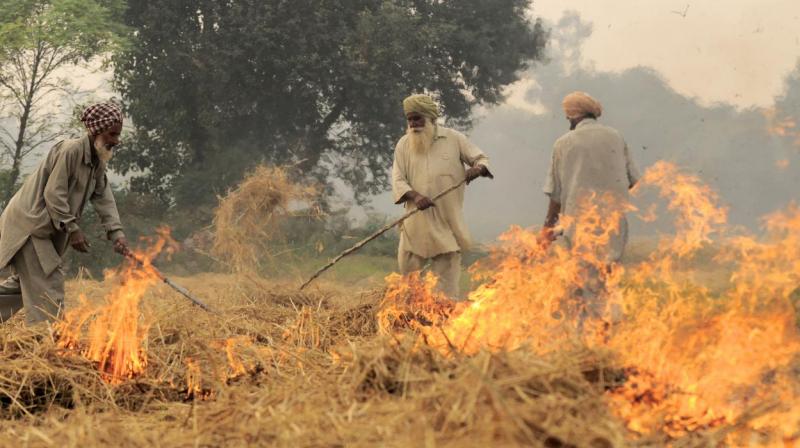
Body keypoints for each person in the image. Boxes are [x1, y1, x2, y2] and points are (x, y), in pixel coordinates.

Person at [0, 102, 129, 324]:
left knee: (26, 285)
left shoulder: (98, 161)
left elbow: (103, 197)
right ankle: (45, 343)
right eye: (112, 134)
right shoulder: (70, 150)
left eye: (118, 135)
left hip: (41, 229)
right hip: (30, 226)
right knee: (48, 282)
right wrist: (73, 228)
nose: (116, 141)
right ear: (97, 130)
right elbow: (54, 194)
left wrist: (116, 233)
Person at [541, 92, 640, 323]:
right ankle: (605, 331)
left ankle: (589, 340)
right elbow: (632, 180)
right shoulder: (616, 137)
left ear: (573, 116)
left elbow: (556, 195)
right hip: (615, 222)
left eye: (567, 116)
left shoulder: (564, 143)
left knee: (583, 281)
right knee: (607, 276)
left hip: (579, 222)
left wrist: (547, 229)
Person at [391, 94, 492, 299]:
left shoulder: (454, 139)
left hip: (446, 222)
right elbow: (398, 179)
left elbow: (481, 158)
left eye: (417, 118)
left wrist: (478, 168)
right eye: (410, 119)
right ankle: (408, 322)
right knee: (409, 285)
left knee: (446, 289)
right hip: (415, 223)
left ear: (430, 118)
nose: (413, 124)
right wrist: (416, 196)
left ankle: (444, 321)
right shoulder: (403, 144)